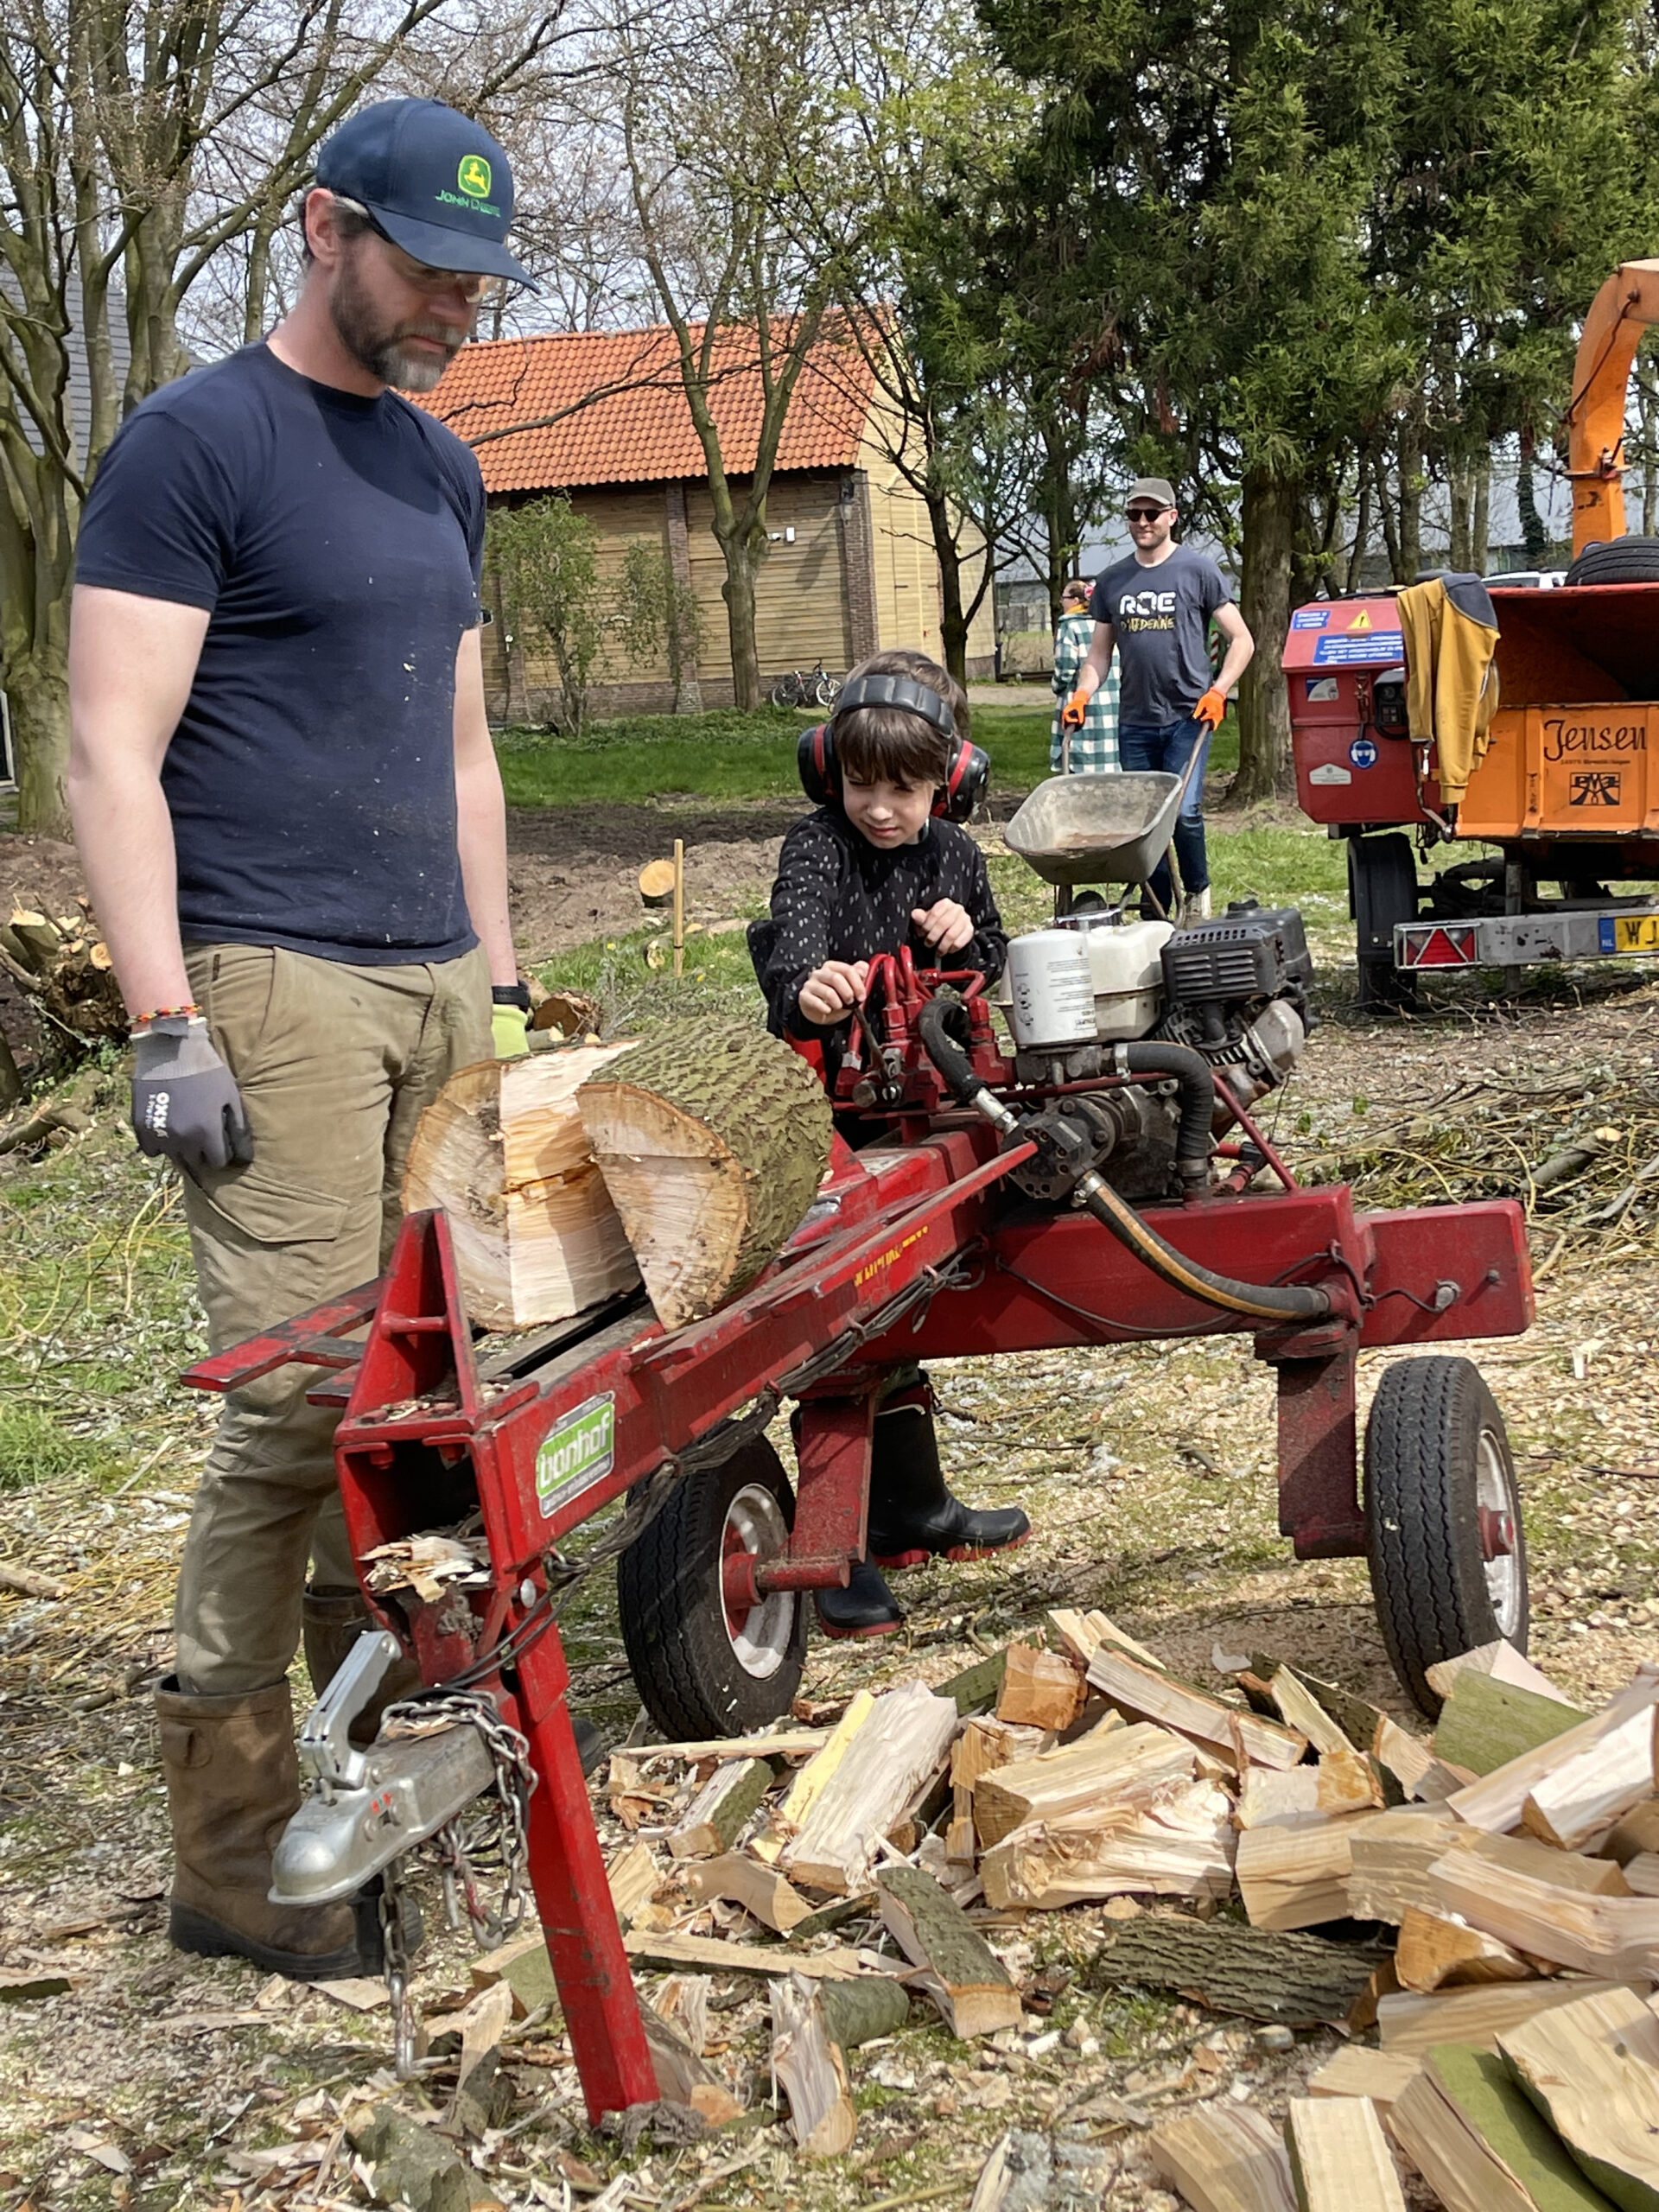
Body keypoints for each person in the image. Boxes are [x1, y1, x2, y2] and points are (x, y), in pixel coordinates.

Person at [67, 99, 538, 1981]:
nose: (456, 310)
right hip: (270, 974)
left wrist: (500, 987)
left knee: (424, 1390)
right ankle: (239, 1843)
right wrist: (161, 1011)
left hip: (432, 973)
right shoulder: (194, 444)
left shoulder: (441, 467)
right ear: (325, 228)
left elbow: (465, 748)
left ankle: (395, 1767)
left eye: (480, 284)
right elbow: (111, 741)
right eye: (427, 268)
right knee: (294, 1395)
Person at [752, 649, 1028, 1638]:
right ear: (831, 772)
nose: (881, 808)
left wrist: (966, 939)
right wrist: (814, 988)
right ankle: (834, 1543)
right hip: (840, 1113)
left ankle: (912, 1508)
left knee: (925, 1288)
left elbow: (995, 954)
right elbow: (790, 953)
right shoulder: (815, 847)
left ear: (945, 783)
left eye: (904, 790)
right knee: (849, 1309)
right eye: (863, 784)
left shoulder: (955, 854)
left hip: (935, 1097)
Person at [1062, 477, 1254, 925]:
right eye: (1135, 515)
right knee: (1148, 822)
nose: (1143, 523)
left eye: (1152, 514)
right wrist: (1082, 694)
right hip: (1136, 721)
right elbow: (1099, 653)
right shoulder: (1112, 581)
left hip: (1190, 714)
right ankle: (1156, 909)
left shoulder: (1198, 570)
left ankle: (1198, 891)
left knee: (1183, 811)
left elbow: (1242, 639)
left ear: (1172, 516)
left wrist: (1219, 690)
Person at [1051, 576, 1119, 773]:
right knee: (1108, 764)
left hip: (1080, 703)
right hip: (1111, 705)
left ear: (1075, 601)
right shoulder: (1109, 624)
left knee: (1080, 763)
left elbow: (1065, 670)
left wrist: (1056, 686)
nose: (1061, 602)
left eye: (1063, 597)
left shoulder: (1070, 626)